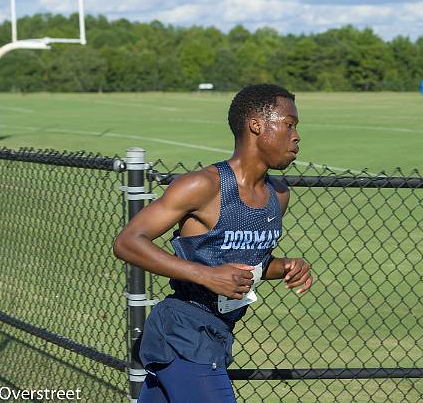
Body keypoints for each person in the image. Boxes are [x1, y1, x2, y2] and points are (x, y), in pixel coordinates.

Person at [113, 84, 313, 403]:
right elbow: (128, 242)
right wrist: (206, 276)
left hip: (218, 333)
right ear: (256, 125)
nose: (296, 135)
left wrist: (286, 266)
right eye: (289, 124)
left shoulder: (279, 194)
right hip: (183, 331)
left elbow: (250, 263)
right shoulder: (202, 185)